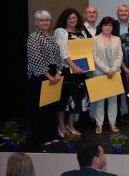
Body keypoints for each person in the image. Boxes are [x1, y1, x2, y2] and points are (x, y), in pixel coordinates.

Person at [26, 10, 61, 146]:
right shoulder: (33, 37)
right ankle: (41, 138)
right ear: (36, 22)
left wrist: (58, 72)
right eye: (41, 20)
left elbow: (58, 56)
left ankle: (51, 135)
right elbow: (36, 60)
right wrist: (49, 76)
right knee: (40, 110)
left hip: (53, 75)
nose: (45, 22)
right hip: (39, 77)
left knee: (51, 108)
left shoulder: (51, 36)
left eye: (47, 20)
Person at [53, 8, 90, 137]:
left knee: (75, 99)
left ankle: (70, 124)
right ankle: (61, 126)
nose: (72, 20)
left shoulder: (81, 32)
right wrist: (73, 66)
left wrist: (86, 66)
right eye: (69, 18)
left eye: (74, 18)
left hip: (80, 71)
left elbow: (86, 50)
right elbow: (63, 52)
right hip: (67, 71)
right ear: (65, 20)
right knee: (63, 100)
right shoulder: (60, 32)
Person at [91, 16, 123, 134]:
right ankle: (99, 124)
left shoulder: (117, 39)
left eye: (110, 25)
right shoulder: (95, 39)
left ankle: (112, 123)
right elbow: (94, 57)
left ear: (112, 27)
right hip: (100, 73)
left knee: (113, 101)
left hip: (114, 74)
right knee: (99, 101)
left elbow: (120, 56)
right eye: (105, 25)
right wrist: (106, 70)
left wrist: (113, 69)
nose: (107, 27)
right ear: (101, 26)